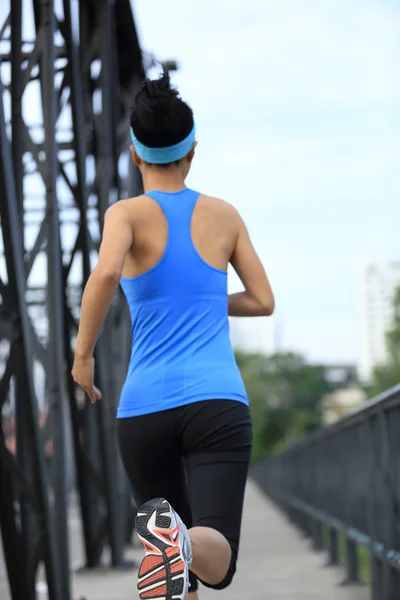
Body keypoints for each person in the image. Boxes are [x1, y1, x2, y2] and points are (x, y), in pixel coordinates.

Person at [72, 68, 274, 600]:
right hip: (216, 404)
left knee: (170, 574)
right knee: (216, 559)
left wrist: (82, 354)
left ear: (136, 155)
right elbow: (262, 300)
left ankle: (173, 545)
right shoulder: (223, 215)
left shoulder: (126, 214)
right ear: (193, 151)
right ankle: (183, 543)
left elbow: (108, 273)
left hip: (143, 409)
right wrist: (206, 300)